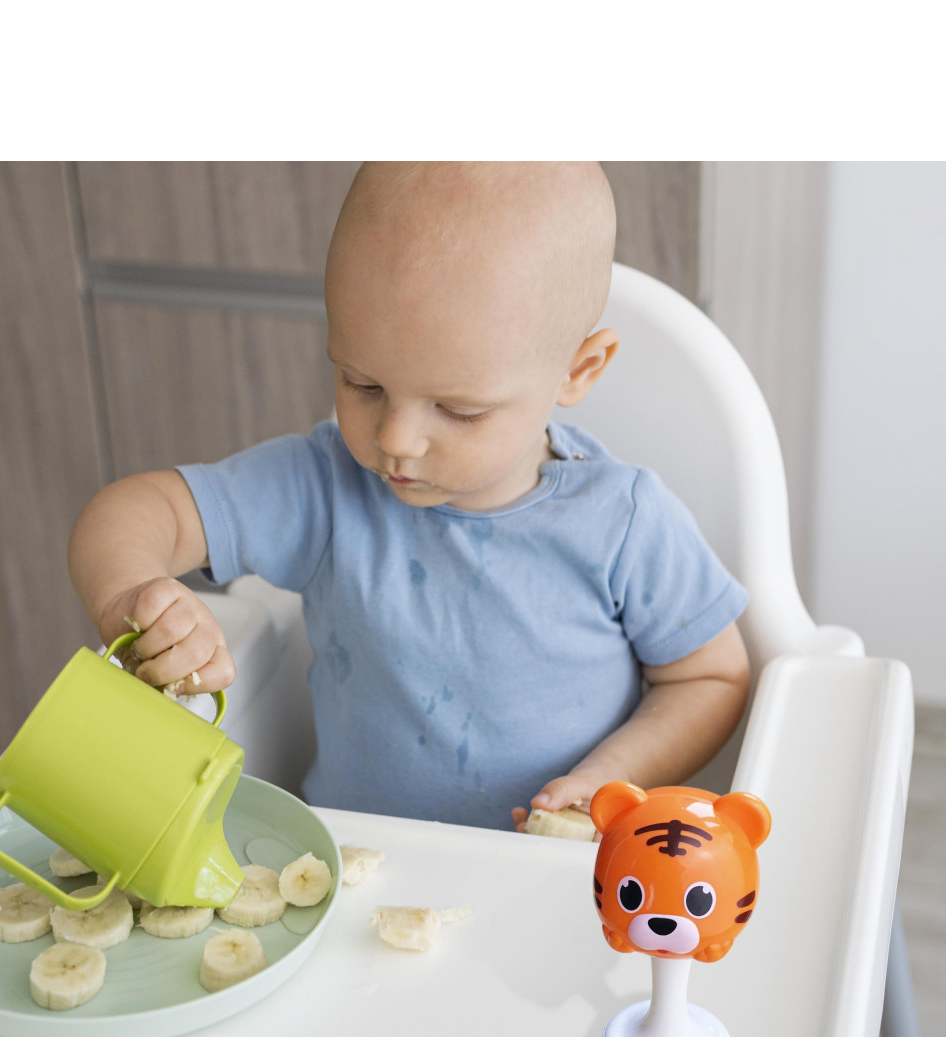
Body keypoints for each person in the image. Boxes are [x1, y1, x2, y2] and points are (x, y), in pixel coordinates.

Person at [69, 160, 750, 840]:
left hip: (551, 878)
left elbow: (709, 679)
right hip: (358, 866)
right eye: (361, 383)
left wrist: (613, 775)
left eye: (458, 409)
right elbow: (138, 510)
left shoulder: (624, 523)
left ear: (579, 370)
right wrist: (130, 592)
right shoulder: (325, 487)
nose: (395, 439)